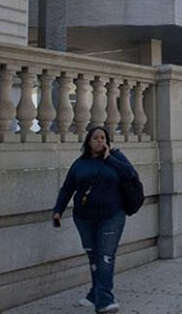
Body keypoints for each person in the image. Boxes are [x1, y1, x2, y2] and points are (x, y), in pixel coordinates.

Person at [52, 126, 138, 314]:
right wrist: (58, 210)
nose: (100, 141)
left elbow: (129, 174)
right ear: (88, 142)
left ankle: (104, 301)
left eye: (103, 138)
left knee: (105, 256)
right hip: (84, 217)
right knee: (94, 256)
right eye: (96, 138)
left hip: (112, 215)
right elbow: (67, 188)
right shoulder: (79, 164)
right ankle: (94, 294)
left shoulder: (116, 158)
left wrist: (109, 159)